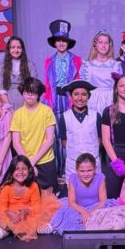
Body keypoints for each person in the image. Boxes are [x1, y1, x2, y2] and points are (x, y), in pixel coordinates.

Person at [0, 155, 61, 241]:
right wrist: (9, 212)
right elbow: (1, 207)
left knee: (34, 217)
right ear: (12, 171)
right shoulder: (6, 188)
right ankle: (6, 228)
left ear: (29, 170)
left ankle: (10, 229)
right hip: (9, 211)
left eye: (24, 169)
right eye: (17, 169)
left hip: (27, 210)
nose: (20, 172)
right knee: (0, 217)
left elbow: (36, 207)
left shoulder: (33, 186)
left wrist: (27, 211)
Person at [43, 19, 82, 182]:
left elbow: (79, 81)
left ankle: (72, 170)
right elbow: (46, 84)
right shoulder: (48, 61)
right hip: (54, 100)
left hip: (69, 99)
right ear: (54, 43)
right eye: (58, 40)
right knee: (56, 136)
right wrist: (47, 103)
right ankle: (59, 173)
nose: (61, 43)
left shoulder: (77, 60)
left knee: (70, 134)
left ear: (68, 42)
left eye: (64, 41)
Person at [49, 152, 116, 234]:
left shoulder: (100, 178)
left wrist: (90, 213)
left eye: (89, 170)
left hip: (96, 207)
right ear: (77, 170)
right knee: (66, 214)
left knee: (107, 216)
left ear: (95, 169)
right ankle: (51, 226)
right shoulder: (73, 178)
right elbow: (71, 202)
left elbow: (103, 201)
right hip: (78, 207)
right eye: (82, 171)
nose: (86, 174)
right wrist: (84, 212)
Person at [11, 77, 58, 192]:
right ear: (22, 93)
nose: (29, 95)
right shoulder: (17, 114)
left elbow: (50, 140)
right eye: (27, 92)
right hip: (24, 161)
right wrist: (27, 163)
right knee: (27, 196)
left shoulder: (46, 111)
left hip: (45, 161)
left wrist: (32, 162)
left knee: (49, 196)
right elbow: (16, 143)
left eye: (33, 93)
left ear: (38, 94)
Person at [58, 79, 102, 180]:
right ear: (70, 96)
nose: (80, 98)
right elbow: (64, 142)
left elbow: (100, 140)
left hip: (93, 162)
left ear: (89, 96)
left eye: (84, 94)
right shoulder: (64, 117)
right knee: (74, 192)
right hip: (73, 164)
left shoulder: (96, 116)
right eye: (76, 94)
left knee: (95, 191)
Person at [82, 29, 122, 115]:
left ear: (110, 45)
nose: (103, 45)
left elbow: (121, 87)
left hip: (111, 100)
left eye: (106, 43)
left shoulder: (116, 65)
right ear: (95, 45)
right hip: (92, 101)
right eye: (100, 42)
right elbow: (82, 88)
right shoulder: (87, 66)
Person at [0, 36, 37, 109]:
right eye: (13, 47)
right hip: (6, 103)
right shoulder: (2, 67)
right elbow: (0, 88)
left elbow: (32, 87)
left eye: (19, 47)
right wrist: (9, 107)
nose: (16, 50)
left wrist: (25, 106)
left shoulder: (30, 65)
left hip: (26, 102)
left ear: (22, 49)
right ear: (8, 49)